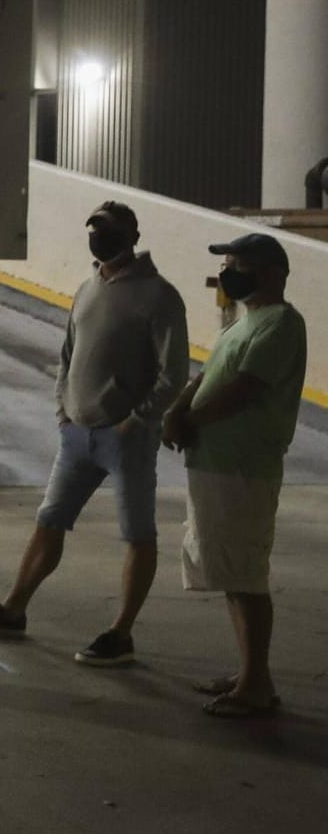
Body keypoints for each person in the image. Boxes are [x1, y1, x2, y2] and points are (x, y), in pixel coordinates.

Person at [0, 202, 189, 666]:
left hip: (126, 439)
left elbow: (174, 372)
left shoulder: (159, 297)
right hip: (77, 435)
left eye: (107, 230)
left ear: (132, 234)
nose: (97, 236)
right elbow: (67, 354)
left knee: (137, 533)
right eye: (94, 228)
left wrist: (136, 420)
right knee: (49, 522)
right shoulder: (88, 289)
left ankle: (121, 633)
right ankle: (13, 608)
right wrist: (64, 410)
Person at [163, 233, 306, 719]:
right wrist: (178, 409)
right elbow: (208, 377)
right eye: (226, 264)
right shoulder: (243, 324)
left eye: (237, 264)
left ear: (272, 273)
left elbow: (244, 388)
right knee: (230, 571)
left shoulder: (283, 324)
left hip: (244, 468)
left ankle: (257, 685)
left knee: (246, 575)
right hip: (214, 464)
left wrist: (189, 420)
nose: (228, 273)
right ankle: (249, 671)